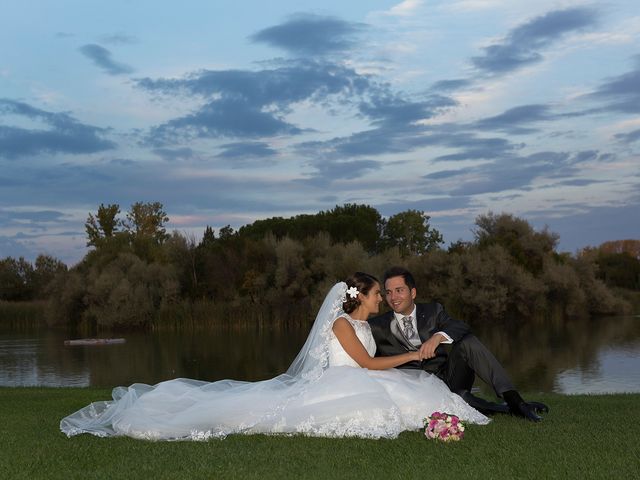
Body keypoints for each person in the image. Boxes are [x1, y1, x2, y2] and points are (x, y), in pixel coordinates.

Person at [60, 272, 488, 441]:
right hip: (348, 381)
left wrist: (418, 353)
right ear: (363, 297)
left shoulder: (365, 325)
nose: (384, 298)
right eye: (379, 293)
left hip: (365, 378)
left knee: (417, 393)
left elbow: (376, 358)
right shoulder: (342, 325)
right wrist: (414, 355)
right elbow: (369, 365)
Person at [368, 266, 549, 421]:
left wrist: (437, 337)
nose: (393, 297)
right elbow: (371, 363)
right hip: (414, 391)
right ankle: (514, 409)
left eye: (399, 290)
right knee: (462, 399)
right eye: (389, 292)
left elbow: (460, 326)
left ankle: (514, 400)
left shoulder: (433, 311)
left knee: (467, 342)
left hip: (448, 377)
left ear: (412, 292)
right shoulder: (377, 326)